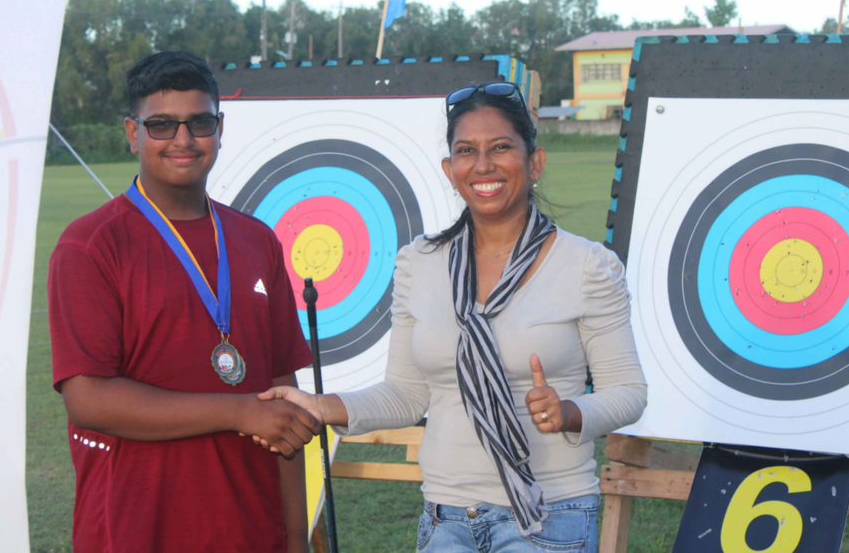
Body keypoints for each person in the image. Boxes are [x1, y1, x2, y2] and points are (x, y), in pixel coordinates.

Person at [259, 82, 647, 552]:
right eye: (467, 151)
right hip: (446, 520)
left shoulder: (587, 264)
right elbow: (407, 396)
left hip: (551, 515)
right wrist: (324, 407)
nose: (483, 165)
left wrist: (569, 412)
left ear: (535, 162)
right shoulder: (419, 263)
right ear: (450, 170)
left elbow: (628, 392)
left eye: (501, 147)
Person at [48, 51, 320, 553]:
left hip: (251, 530)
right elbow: (88, 400)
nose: (183, 140)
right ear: (132, 133)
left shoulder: (255, 240)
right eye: (161, 125)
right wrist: (238, 412)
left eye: (199, 122)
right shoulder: (90, 245)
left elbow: (285, 401)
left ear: (220, 127)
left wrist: (297, 540)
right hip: (136, 531)